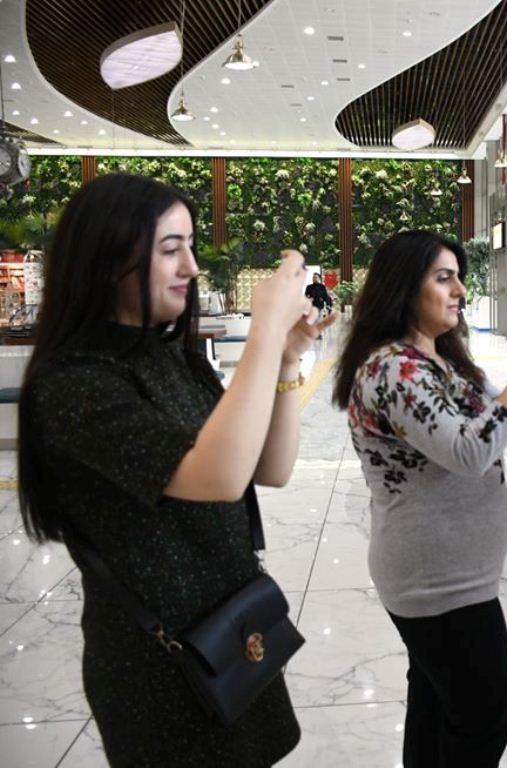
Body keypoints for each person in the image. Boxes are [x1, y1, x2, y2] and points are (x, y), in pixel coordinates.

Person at [17, 174, 335, 765]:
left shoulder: (172, 353)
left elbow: (268, 468)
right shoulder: (77, 382)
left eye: (190, 246)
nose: (191, 266)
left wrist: (287, 357)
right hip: (161, 663)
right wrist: (264, 327)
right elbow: (216, 478)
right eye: (170, 249)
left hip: (234, 629)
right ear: (106, 259)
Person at [332, 230, 507, 768]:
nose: (460, 290)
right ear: (404, 287)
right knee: (480, 722)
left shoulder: (437, 360)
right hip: (438, 583)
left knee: (436, 707)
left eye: (458, 277)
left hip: (451, 578)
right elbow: (472, 452)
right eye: (443, 277)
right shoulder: (392, 369)